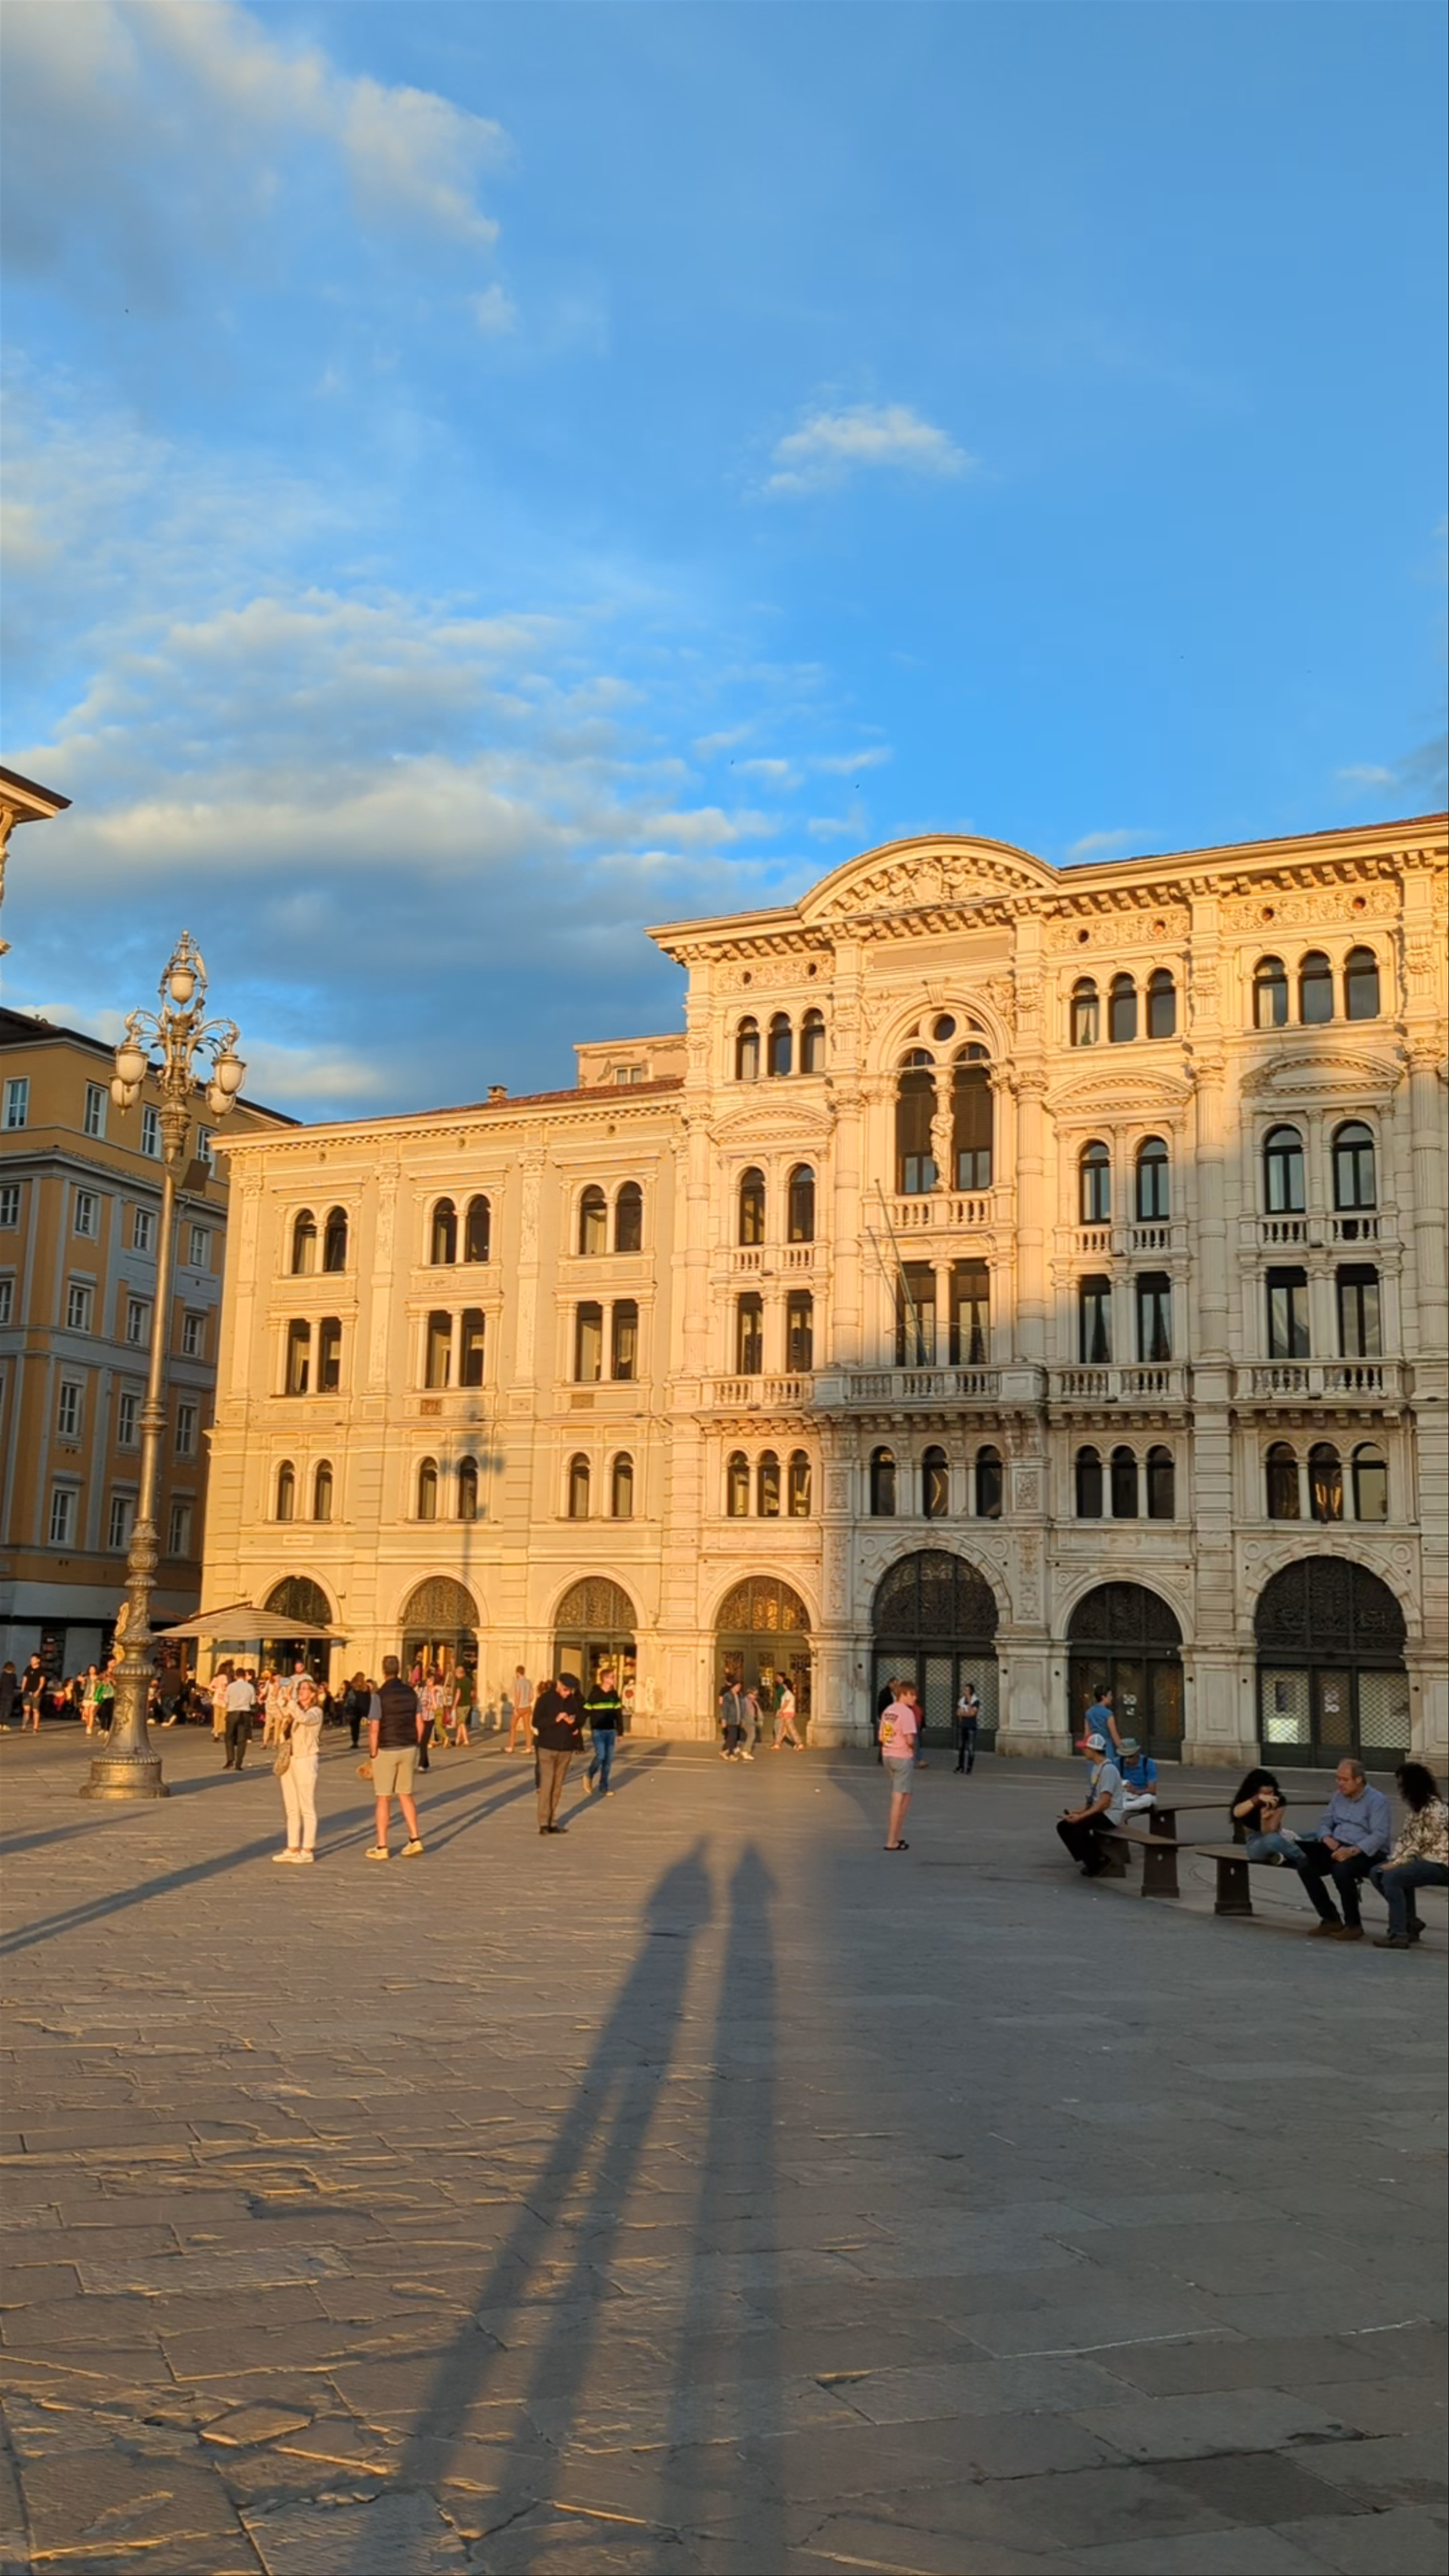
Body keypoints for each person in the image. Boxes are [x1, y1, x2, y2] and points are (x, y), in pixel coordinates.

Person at [1289, 1758, 1393, 1939]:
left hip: (1366, 1851)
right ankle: (1330, 1918)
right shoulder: (1338, 1797)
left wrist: (1352, 1851)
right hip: (1337, 1845)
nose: (1340, 1784)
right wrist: (1326, 1837)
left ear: (1359, 1780)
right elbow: (1325, 1822)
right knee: (1305, 1865)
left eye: (1345, 1780)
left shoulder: (1377, 1801)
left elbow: (1379, 1835)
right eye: (1338, 1779)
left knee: (1342, 1870)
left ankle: (1354, 1924)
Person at [1371, 1762, 1449, 1950]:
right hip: (1425, 1859)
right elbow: (1406, 1839)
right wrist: (1395, 1860)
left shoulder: (1434, 1809)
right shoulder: (1416, 1808)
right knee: (1377, 1873)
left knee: (1392, 1877)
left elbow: (1422, 1843)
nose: (1400, 1790)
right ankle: (1410, 1922)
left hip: (1441, 1862)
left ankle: (1399, 1934)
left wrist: (1397, 1864)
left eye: (1402, 1785)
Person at [366, 1656, 426, 1860]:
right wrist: (415, 1744)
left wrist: (373, 1753)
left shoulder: (379, 1696)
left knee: (384, 1797)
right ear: (399, 1670)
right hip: (408, 1747)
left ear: (384, 1672)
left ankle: (382, 1846)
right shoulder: (412, 1693)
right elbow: (421, 1723)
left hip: (387, 1747)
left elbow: (375, 1728)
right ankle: (415, 1839)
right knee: (406, 1794)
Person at [1056, 1734, 1127, 1875]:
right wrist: (1078, 1812)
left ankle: (1098, 1861)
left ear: (1093, 1750)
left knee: (1077, 1827)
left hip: (1110, 1815)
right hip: (1100, 1812)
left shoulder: (1108, 1770)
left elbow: (1104, 1803)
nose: (1084, 1752)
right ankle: (1089, 1859)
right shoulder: (1097, 1768)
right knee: (1064, 1827)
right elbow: (1094, 1799)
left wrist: (1081, 1817)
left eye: (1086, 1749)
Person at [272, 1674, 324, 1862]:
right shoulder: (295, 1708)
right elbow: (276, 1712)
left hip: (306, 1759)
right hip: (290, 1759)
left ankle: (308, 1849)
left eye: (304, 1690)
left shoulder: (316, 1712)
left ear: (312, 1695)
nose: (300, 1692)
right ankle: (293, 1847)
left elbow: (303, 1718)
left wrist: (291, 1703)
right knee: (291, 1807)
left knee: (307, 1806)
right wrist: (277, 1694)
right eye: (299, 1689)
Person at [533, 1672, 583, 1833]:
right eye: (566, 1690)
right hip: (547, 1747)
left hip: (565, 1748)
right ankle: (543, 1823)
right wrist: (555, 1720)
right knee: (547, 1785)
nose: (568, 1694)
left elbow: (580, 1720)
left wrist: (573, 1723)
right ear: (559, 1685)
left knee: (558, 1787)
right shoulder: (546, 1699)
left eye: (570, 1691)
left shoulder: (573, 1701)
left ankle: (553, 1821)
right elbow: (536, 1722)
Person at [1230, 1766, 1301, 1861]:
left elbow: (1269, 1831)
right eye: (1265, 1794)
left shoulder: (1279, 1800)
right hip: (1255, 1843)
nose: (1269, 1797)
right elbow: (1237, 1813)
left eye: (1271, 1793)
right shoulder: (1248, 1802)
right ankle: (1303, 1857)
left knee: (1314, 1836)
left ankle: (1279, 1856)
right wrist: (1257, 1801)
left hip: (1276, 1835)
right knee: (1273, 1841)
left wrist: (1266, 1819)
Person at [879, 1683, 919, 1850]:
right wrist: (913, 1749)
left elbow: (882, 1736)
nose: (915, 1698)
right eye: (913, 1695)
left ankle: (898, 1835)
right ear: (905, 1694)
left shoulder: (889, 1711)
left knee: (906, 1795)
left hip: (888, 1755)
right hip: (902, 1756)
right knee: (899, 1798)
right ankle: (891, 1841)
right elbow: (910, 1739)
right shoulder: (907, 1713)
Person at [584, 1663, 624, 1796]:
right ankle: (589, 1775)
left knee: (608, 1760)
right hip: (598, 1731)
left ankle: (604, 1787)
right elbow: (587, 1710)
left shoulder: (614, 1694)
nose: (615, 1680)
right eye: (613, 1678)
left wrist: (620, 1731)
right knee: (600, 1756)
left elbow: (618, 1713)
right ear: (605, 1679)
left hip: (610, 1731)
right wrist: (576, 1727)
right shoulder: (595, 1693)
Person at [223, 1666, 257, 1770]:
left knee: (229, 1737)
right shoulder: (250, 1687)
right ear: (245, 1676)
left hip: (232, 1712)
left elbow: (226, 1701)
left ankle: (230, 1759)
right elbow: (253, 1702)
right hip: (245, 1713)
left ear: (236, 1676)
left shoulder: (231, 1687)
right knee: (242, 1739)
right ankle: (239, 1763)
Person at [1117, 1737, 1158, 1818]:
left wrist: (1136, 1792)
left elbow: (1152, 1790)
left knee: (1149, 1799)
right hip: (1126, 1795)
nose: (1127, 1760)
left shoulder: (1148, 1763)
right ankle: (1123, 1806)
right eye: (1124, 1757)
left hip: (1143, 1795)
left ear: (1137, 1754)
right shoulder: (1118, 1762)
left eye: (1130, 1756)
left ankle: (1122, 1807)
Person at [1080, 1686, 1121, 1757]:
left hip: (1094, 1747)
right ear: (1103, 1697)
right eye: (1110, 1695)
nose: (1112, 1698)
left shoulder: (1089, 1713)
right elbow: (1114, 1735)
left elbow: (1087, 1734)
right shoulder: (1108, 1714)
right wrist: (1122, 1748)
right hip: (1106, 1747)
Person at [954, 1681, 981, 1775]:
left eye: (967, 1690)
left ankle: (969, 1768)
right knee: (961, 1748)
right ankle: (961, 1766)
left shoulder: (976, 1701)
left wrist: (965, 1713)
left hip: (972, 1727)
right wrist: (967, 1713)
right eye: (964, 1690)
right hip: (963, 1726)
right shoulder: (962, 1701)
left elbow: (973, 1714)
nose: (965, 1692)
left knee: (971, 1748)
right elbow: (958, 1713)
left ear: (971, 1691)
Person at [717, 1675, 747, 1762]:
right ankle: (731, 1754)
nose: (739, 1688)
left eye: (740, 1687)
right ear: (734, 1687)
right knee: (732, 1737)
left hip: (737, 1719)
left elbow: (741, 1708)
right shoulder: (728, 1696)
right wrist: (724, 1720)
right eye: (738, 1686)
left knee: (732, 1737)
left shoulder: (739, 1695)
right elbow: (725, 1709)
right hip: (731, 1719)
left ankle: (724, 1751)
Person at [507, 1668, 534, 1755]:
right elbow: (532, 1696)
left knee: (513, 1726)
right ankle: (529, 1748)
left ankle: (511, 1747)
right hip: (527, 1707)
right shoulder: (529, 1682)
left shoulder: (518, 1683)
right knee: (527, 1728)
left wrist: (516, 1708)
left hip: (520, 1707)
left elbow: (517, 1696)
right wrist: (527, 1702)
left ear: (518, 1673)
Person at [772, 1676, 804, 1752]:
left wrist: (781, 1710)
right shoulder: (791, 1694)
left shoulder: (788, 1693)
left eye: (784, 1685)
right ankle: (777, 1744)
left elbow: (786, 1703)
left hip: (786, 1713)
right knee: (782, 1729)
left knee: (791, 1729)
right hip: (788, 1713)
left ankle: (799, 1744)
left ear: (786, 1686)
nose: (783, 1686)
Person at [341, 1672, 371, 1751]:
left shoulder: (352, 1687)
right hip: (363, 1708)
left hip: (354, 1708)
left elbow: (347, 1698)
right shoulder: (366, 1688)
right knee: (367, 1725)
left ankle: (355, 1742)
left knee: (355, 1726)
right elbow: (368, 1699)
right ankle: (372, 1740)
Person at [20, 1655, 46, 1732]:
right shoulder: (28, 1669)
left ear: (38, 1661)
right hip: (27, 1691)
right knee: (26, 1710)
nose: (32, 1661)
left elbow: (42, 1682)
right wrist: (23, 1689)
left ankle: (36, 1727)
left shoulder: (41, 1670)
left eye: (34, 1659)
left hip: (36, 1692)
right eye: (31, 1659)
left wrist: (38, 1691)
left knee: (35, 1710)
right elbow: (25, 1679)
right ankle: (24, 1726)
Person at [0, 1661, 17, 1730]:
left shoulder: (3, 1675)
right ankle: (5, 1724)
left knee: (1, 1709)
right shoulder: (14, 1676)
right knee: (8, 1710)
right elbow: (14, 1685)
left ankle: (0, 1724)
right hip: (10, 1694)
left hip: (2, 1694)